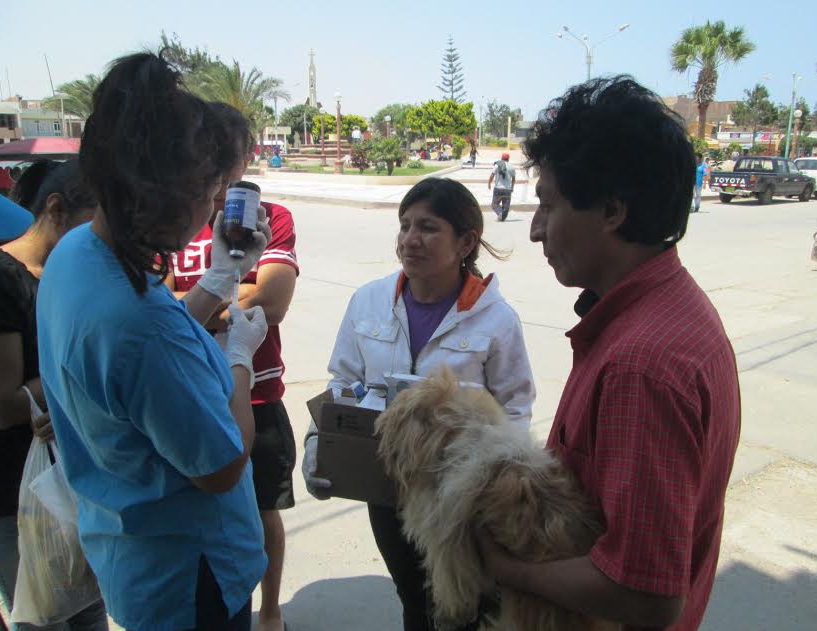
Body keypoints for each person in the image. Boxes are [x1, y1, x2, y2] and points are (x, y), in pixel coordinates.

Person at [478, 76, 740, 631]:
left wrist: (508, 570)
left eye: (548, 205)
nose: (535, 231)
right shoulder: (670, 307)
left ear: (613, 211)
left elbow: (645, 593)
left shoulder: (640, 365)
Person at [35, 51, 272, 631]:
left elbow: (147, 363)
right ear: (166, 195)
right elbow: (220, 466)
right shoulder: (140, 327)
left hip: (131, 553)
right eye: (211, 191)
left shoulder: (77, 253)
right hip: (191, 580)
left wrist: (219, 280)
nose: (215, 207)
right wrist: (240, 359)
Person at [303, 178, 535, 631]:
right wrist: (319, 444)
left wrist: (497, 493)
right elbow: (343, 381)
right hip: (384, 484)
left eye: (428, 228)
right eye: (405, 225)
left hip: (458, 501)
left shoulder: (496, 319)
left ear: (465, 242)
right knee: (413, 595)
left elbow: (515, 410)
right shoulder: (369, 300)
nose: (410, 239)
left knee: (466, 608)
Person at [168, 102, 299, 631]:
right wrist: (229, 292)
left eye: (235, 156)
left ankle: (269, 611)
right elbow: (156, 306)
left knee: (265, 509)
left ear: (247, 158)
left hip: (259, 392)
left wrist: (194, 303)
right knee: (201, 506)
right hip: (188, 391)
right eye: (213, 158)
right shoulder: (178, 221)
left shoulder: (272, 217)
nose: (224, 175)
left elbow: (272, 302)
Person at [0, 160, 109, 631]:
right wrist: (76, 375)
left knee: (89, 611)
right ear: (55, 210)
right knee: (43, 621)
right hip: (14, 496)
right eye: (91, 228)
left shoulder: (72, 274)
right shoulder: (0, 278)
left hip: (77, 480)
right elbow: (2, 407)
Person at [487, 153, 516, 221]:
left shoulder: (497, 165)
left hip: (498, 188)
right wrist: (512, 187)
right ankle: (502, 217)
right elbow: (513, 179)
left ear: (502, 158)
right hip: (507, 189)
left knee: (494, 204)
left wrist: (489, 183)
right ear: (508, 159)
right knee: (506, 206)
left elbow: (492, 175)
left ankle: (500, 212)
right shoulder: (512, 167)